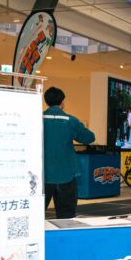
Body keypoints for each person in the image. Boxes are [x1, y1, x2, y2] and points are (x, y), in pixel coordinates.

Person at [43, 87, 95, 219]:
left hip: (41, 175)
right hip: (66, 174)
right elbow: (89, 138)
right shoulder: (70, 121)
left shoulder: (37, 119)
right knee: (66, 217)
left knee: (35, 216)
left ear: (46, 101)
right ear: (62, 102)